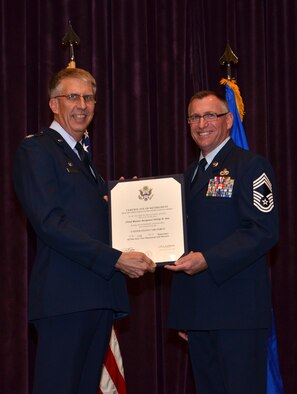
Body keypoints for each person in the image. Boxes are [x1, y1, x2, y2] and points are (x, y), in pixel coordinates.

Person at [13, 67, 156, 394]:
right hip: (65, 300)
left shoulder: (84, 158)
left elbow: (84, 217)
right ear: (53, 104)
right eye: (72, 96)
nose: (82, 104)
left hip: (96, 297)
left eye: (89, 97)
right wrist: (116, 259)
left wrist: (123, 203)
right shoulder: (36, 150)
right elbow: (50, 223)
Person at [165, 90, 278, 394]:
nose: (202, 123)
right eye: (194, 117)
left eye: (210, 115)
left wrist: (208, 259)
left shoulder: (251, 167)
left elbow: (263, 230)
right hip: (200, 315)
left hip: (238, 314)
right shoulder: (188, 176)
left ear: (228, 121)